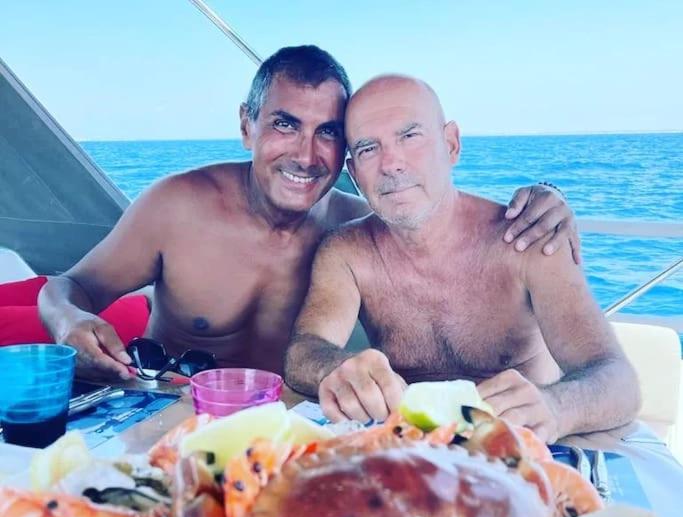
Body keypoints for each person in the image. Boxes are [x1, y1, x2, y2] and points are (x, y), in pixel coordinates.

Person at [39, 47, 578, 382]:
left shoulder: (356, 229)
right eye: (284, 124)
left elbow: (437, 208)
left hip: (288, 428)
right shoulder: (176, 206)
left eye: (328, 133)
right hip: (170, 409)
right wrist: (70, 323)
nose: (305, 154)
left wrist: (546, 199)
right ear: (248, 126)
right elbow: (68, 287)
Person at [284, 75, 640, 443]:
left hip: (526, 447)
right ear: (355, 174)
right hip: (408, 448)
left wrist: (556, 407)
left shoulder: (527, 239)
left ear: (451, 145)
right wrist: (338, 368)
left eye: (410, 136)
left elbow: (618, 379)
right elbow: (303, 351)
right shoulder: (347, 251)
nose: (391, 163)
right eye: (369, 149)